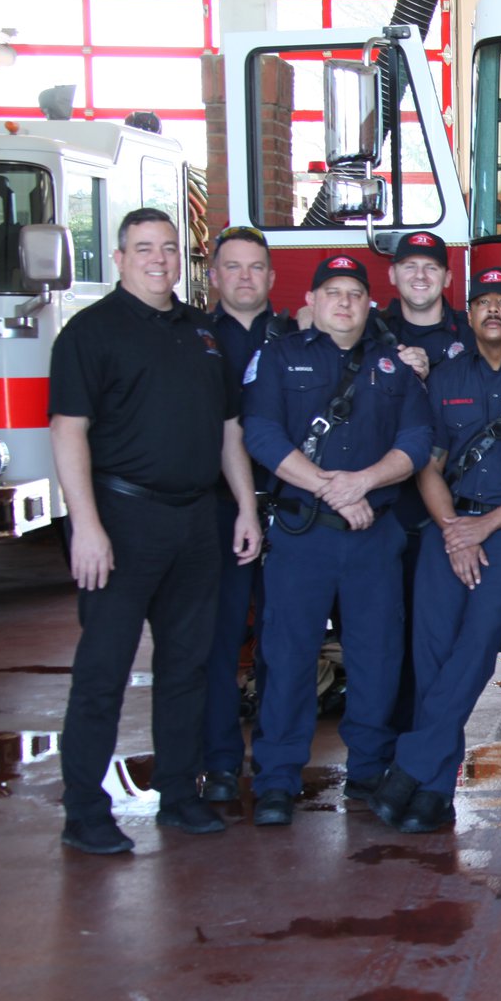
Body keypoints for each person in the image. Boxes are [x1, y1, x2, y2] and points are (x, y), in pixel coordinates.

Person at [48, 208, 261, 854]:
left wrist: (246, 508)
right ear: (119, 258)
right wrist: (85, 526)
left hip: (197, 519)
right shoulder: (89, 333)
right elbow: (67, 431)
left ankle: (179, 793)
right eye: (144, 249)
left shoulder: (201, 333)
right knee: (103, 671)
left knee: (187, 667)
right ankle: (84, 810)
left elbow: (229, 430)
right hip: (120, 519)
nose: (159, 260)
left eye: (169, 249)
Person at [242, 254, 433, 827]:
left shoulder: (394, 367)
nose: (345, 302)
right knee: (289, 658)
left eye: (355, 293)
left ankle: (369, 769)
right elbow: (261, 433)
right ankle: (276, 779)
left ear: (370, 303)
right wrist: (332, 489)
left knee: (377, 661)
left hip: (373, 538)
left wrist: (364, 483)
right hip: (302, 535)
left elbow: (418, 441)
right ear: (313, 301)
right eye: (333, 293)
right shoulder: (278, 358)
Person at [371, 266, 501, 834]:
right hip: (447, 527)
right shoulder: (444, 378)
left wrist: (485, 526)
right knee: (432, 655)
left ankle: (411, 766)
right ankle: (435, 791)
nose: (493, 311)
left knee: (476, 646)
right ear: (467, 316)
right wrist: (452, 528)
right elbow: (429, 464)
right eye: (483, 303)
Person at [196, 225, 288, 803]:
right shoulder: (192, 337)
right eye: (233, 267)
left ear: (272, 277)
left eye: (256, 267)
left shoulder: (302, 334)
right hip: (219, 510)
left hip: (292, 509)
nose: (246, 277)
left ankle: (276, 764)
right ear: (213, 276)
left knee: (285, 644)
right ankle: (223, 761)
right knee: (221, 640)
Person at [377, 231, 460, 736]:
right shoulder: (366, 331)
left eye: (431, 267)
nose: (420, 275)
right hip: (379, 511)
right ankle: (378, 756)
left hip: (443, 516)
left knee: (434, 640)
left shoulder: (469, 335)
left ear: (448, 277)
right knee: (378, 638)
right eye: (409, 265)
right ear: (392, 274)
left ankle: (422, 749)